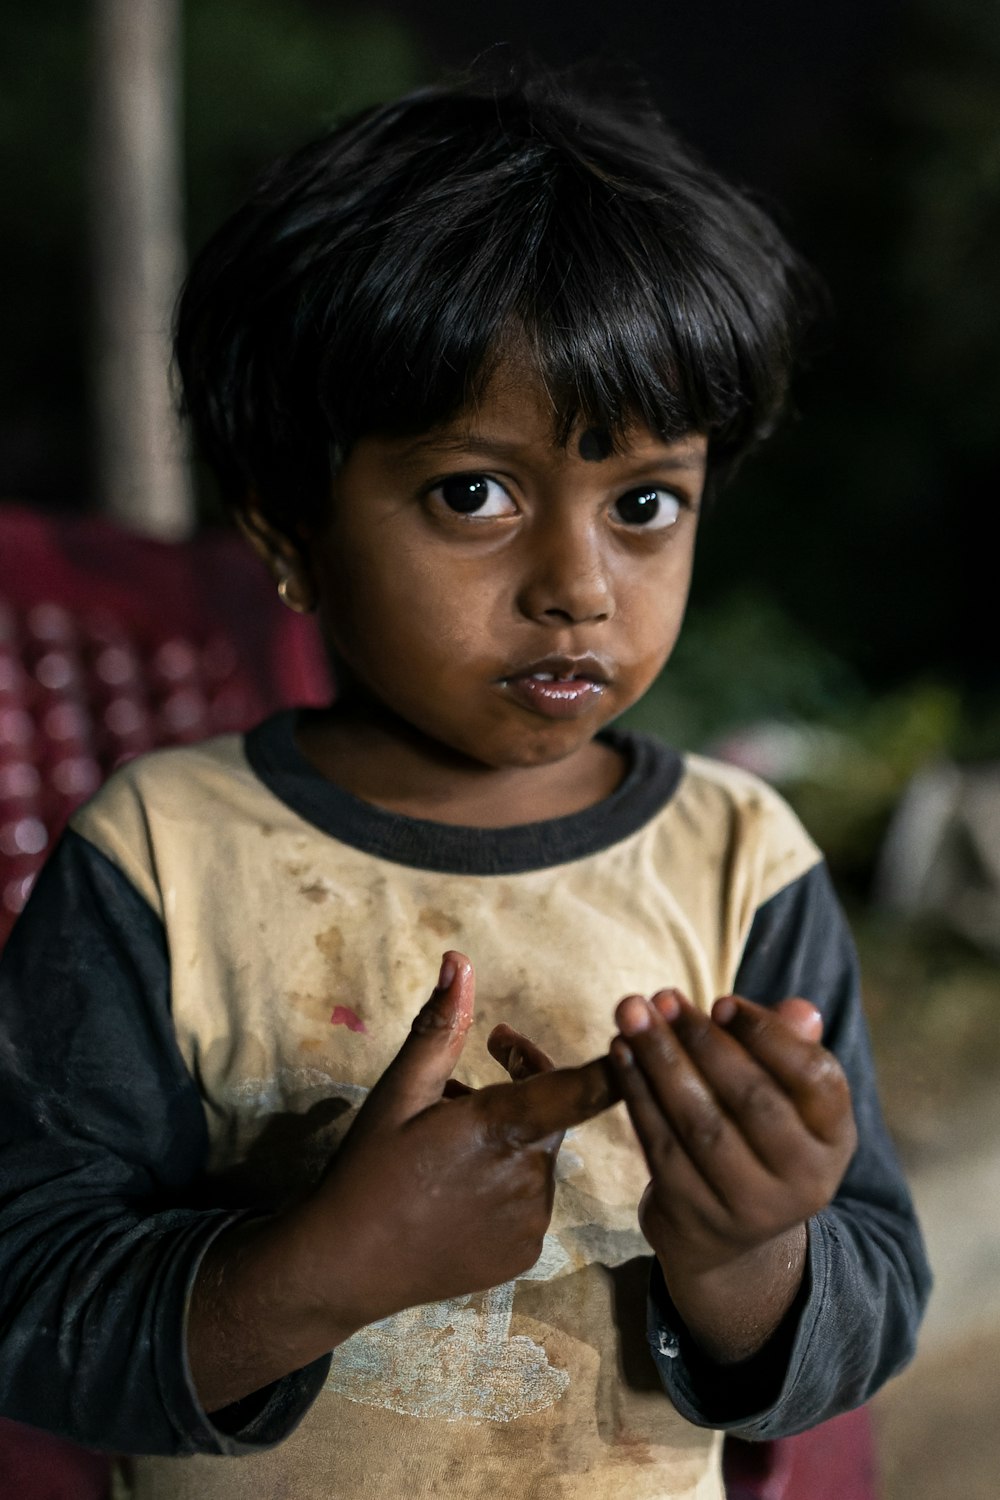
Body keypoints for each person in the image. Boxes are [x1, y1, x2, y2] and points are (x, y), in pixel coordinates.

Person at [0, 67, 930, 1500]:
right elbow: (30, 1310)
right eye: (472, 495)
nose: (575, 588)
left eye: (644, 504)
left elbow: (870, 1299)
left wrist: (749, 1250)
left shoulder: (741, 857)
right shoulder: (159, 861)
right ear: (292, 530)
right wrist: (318, 1270)